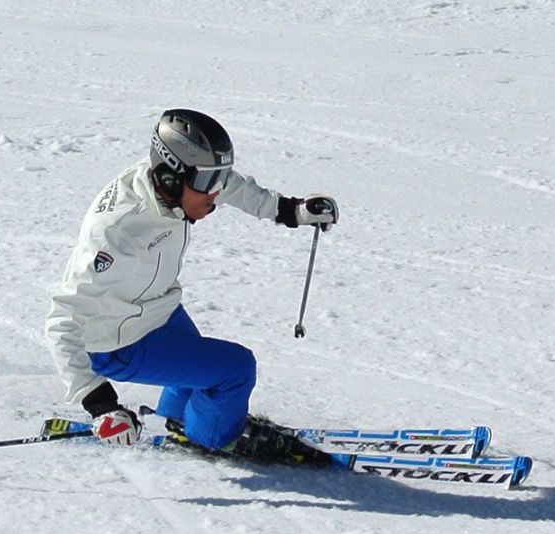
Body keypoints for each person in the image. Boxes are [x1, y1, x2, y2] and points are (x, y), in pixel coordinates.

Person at [45, 109, 338, 454]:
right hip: (117, 342)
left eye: (220, 177)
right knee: (235, 370)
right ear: (170, 178)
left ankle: (174, 420)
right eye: (207, 182)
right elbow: (61, 322)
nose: (216, 191)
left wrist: (289, 210)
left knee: (197, 370)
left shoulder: (172, 183)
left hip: (156, 309)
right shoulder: (116, 233)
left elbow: (229, 186)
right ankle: (216, 438)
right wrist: (100, 403)